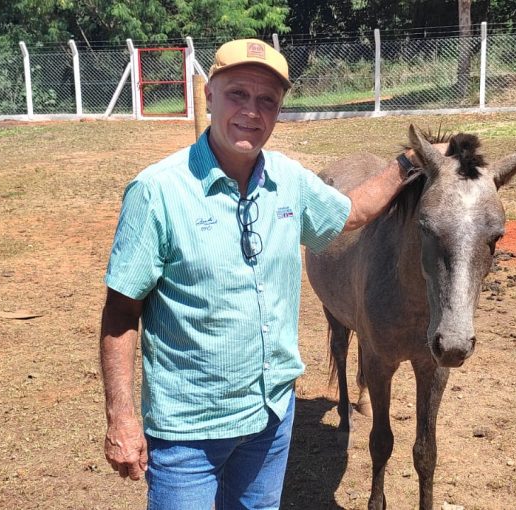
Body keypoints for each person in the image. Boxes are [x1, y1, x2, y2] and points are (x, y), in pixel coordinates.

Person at [99, 38, 426, 509]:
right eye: (238, 94)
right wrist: (122, 417)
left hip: (270, 418)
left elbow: (350, 211)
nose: (251, 111)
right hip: (188, 431)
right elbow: (120, 311)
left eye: (267, 100)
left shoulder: (288, 181)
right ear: (210, 95)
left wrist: (409, 162)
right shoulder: (157, 192)